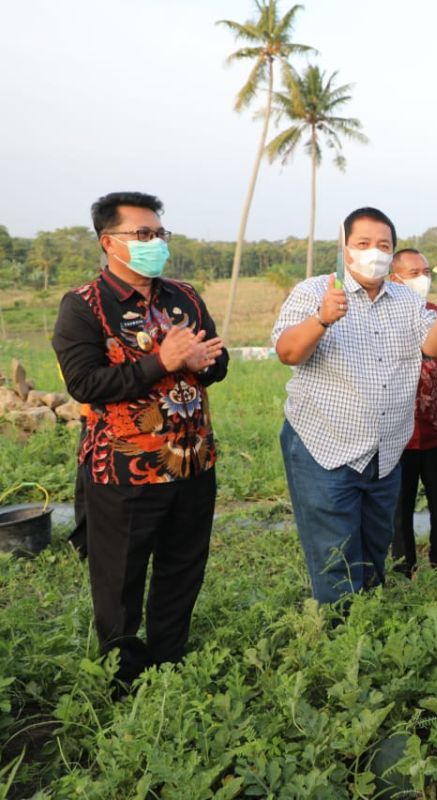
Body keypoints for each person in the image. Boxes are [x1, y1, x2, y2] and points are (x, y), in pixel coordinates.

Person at [52, 191, 228, 684]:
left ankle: (168, 665)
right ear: (109, 242)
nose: (155, 243)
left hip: (192, 463)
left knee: (182, 569)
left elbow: (219, 362)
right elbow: (85, 384)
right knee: (120, 580)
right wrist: (162, 363)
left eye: (159, 233)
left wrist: (204, 361)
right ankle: (123, 678)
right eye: (142, 234)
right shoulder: (84, 306)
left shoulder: (184, 297)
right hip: (124, 472)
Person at [273, 208, 437, 607]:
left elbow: (433, 348)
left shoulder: (406, 300)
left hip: (385, 450)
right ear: (345, 249)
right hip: (323, 444)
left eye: (382, 245)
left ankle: (368, 618)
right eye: (363, 244)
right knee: (334, 551)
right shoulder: (314, 292)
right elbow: (288, 352)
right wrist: (323, 319)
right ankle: (339, 633)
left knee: (376, 544)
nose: (373, 253)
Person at [388, 248, 437, 576]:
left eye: (427, 271)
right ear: (394, 278)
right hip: (395, 435)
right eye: (414, 272)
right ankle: (403, 569)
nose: (424, 278)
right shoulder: (380, 321)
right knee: (398, 509)